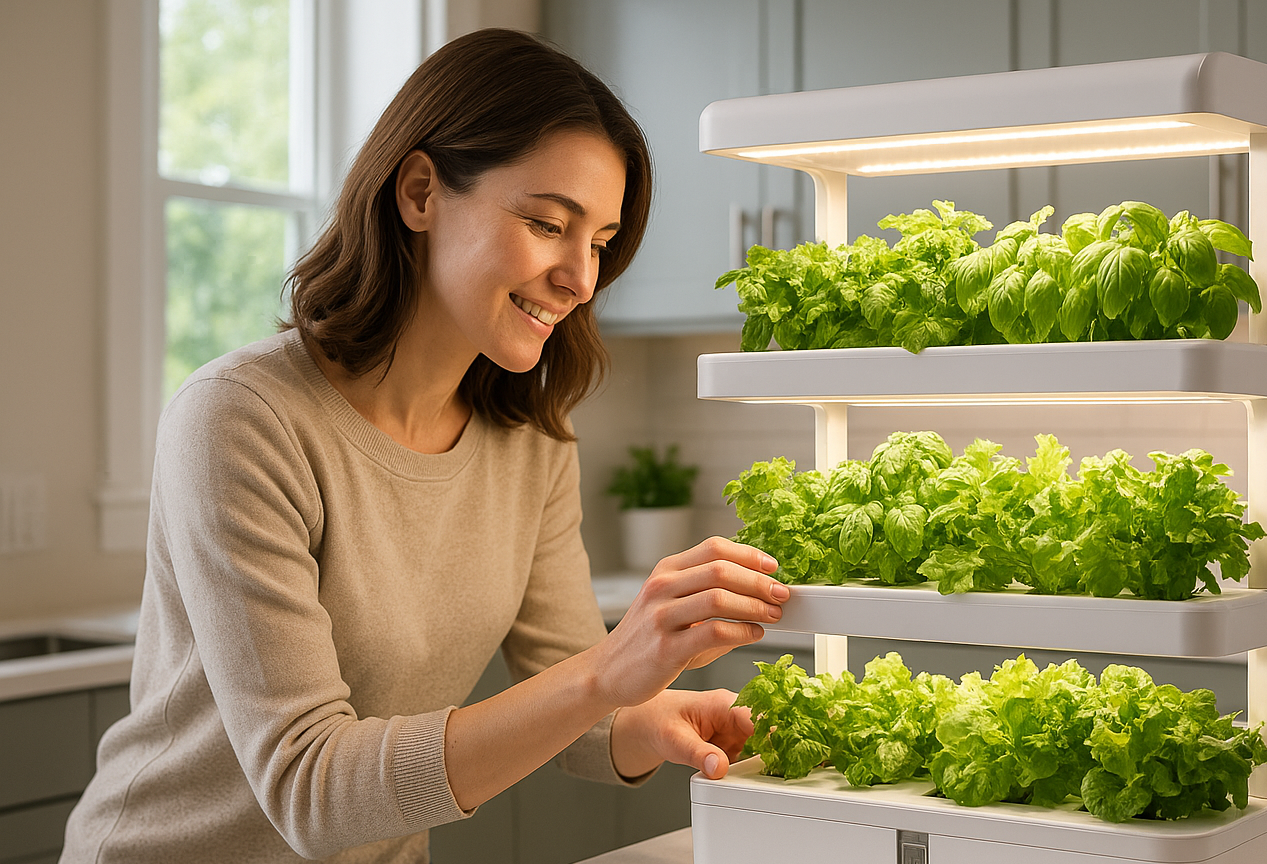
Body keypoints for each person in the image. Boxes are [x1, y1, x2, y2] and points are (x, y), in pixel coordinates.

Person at [62, 28, 787, 864]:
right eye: (550, 223)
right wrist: (605, 677)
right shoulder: (241, 419)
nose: (583, 279)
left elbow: (571, 704)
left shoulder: (531, 440)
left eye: (600, 242)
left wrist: (638, 719)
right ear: (419, 193)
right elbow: (310, 787)